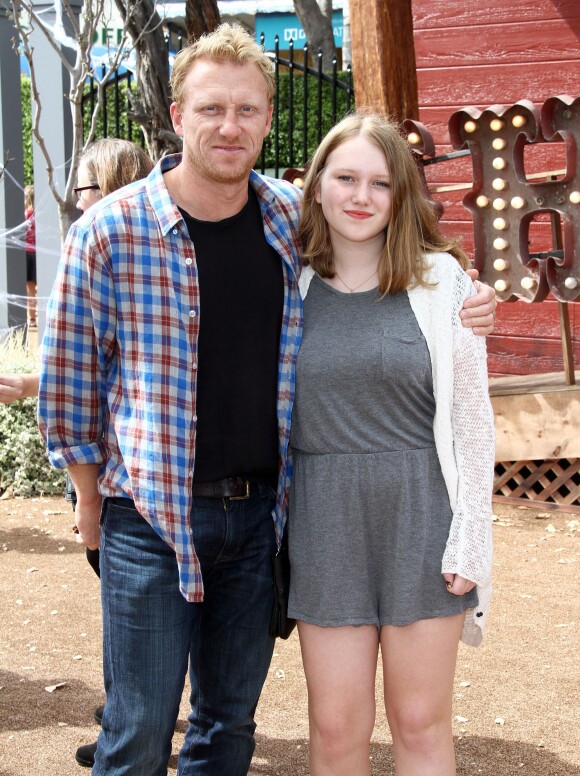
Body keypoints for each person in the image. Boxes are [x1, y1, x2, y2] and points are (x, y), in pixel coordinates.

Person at [38, 25, 496, 776]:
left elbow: (445, 371)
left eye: (248, 109)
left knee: (230, 726)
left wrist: (474, 298)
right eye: (212, 108)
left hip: (263, 521)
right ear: (177, 113)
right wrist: (87, 501)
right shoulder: (113, 232)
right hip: (160, 514)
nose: (230, 125)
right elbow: (69, 381)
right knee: (142, 724)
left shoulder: (295, 226)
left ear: (269, 117)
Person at [287, 112, 496, 776]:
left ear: (402, 195)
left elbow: (473, 423)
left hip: (422, 518)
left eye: (380, 183)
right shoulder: (287, 286)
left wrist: (473, 537)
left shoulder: (445, 287)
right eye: (345, 177)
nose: (359, 196)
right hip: (324, 522)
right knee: (336, 726)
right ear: (317, 184)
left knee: (419, 721)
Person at [2, 138, 153, 770]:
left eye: (83, 189)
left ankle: (138, 715)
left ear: (112, 188)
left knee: (134, 606)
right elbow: (90, 364)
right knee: (126, 601)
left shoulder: (114, 252)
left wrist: (86, 493)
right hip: (104, 459)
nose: (73, 202)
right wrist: (34, 383)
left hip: (116, 468)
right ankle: (133, 708)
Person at [24, 185, 37, 328]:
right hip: (37, 253)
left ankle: (32, 318)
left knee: (30, 287)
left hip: (28, 253)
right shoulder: (38, 215)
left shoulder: (25, 215)